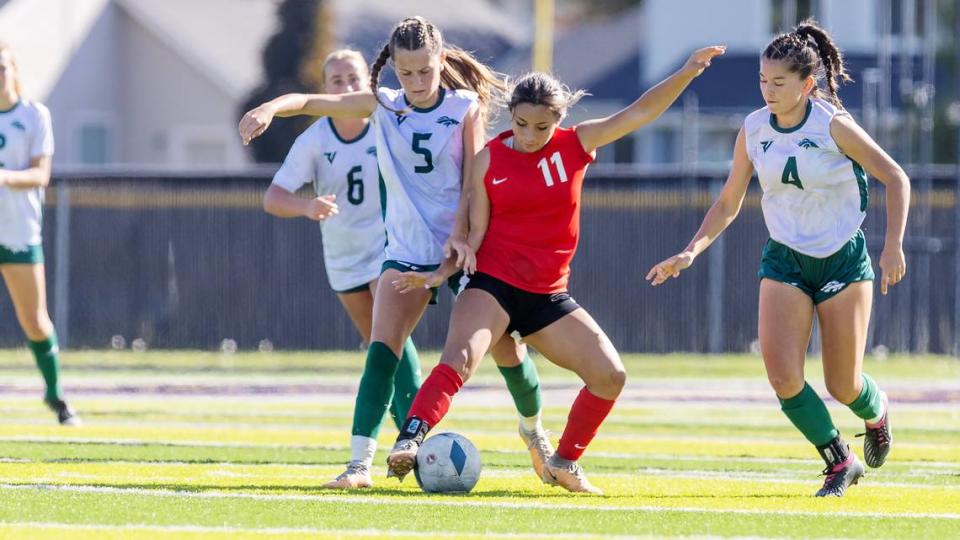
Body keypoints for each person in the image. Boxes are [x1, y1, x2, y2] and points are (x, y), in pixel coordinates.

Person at [385, 46, 726, 494]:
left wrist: (687, 70)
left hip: (547, 295)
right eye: (521, 124)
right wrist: (440, 273)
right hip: (493, 284)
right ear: (511, 117)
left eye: (542, 126)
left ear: (558, 120)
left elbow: (641, 112)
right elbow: (473, 231)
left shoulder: (577, 143)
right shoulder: (489, 158)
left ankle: (563, 462)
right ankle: (409, 440)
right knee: (461, 360)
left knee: (610, 376)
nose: (529, 135)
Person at [240, 17, 550, 487]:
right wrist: (268, 108)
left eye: (425, 71)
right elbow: (310, 100)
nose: (417, 82)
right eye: (407, 74)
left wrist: (462, 240)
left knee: (506, 352)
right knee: (382, 351)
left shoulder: (464, 106)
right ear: (393, 72)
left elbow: (473, 180)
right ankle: (359, 465)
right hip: (407, 251)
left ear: (440, 62)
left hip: (465, 248)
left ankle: (535, 433)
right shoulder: (383, 105)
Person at [647, 21, 906, 497]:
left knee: (844, 385)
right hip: (785, 258)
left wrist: (892, 246)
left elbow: (896, 177)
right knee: (784, 376)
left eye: (779, 82)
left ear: (807, 84)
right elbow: (728, 202)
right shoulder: (753, 128)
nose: (768, 90)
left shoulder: (833, 125)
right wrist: (689, 251)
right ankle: (839, 460)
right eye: (763, 81)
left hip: (842, 260)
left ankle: (876, 412)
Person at [261, 49, 424, 489]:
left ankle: (414, 437)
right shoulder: (316, 139)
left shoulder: (385, 121)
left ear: (368, 82)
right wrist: (306, 205)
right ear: (325, 88)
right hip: (342, 255)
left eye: (354, 78)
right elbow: (273, 198)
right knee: (376, 343)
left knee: (390, 339)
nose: (346, 87)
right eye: (336, 80)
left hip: (388, 247)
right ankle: (405, 444)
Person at [0, 43, 79, 426]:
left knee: (34, 319)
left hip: (17, 229)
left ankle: (56, 394)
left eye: (1, 67)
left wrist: (5, 177)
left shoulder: (34, 116)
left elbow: (40, 174)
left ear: (13, 69)